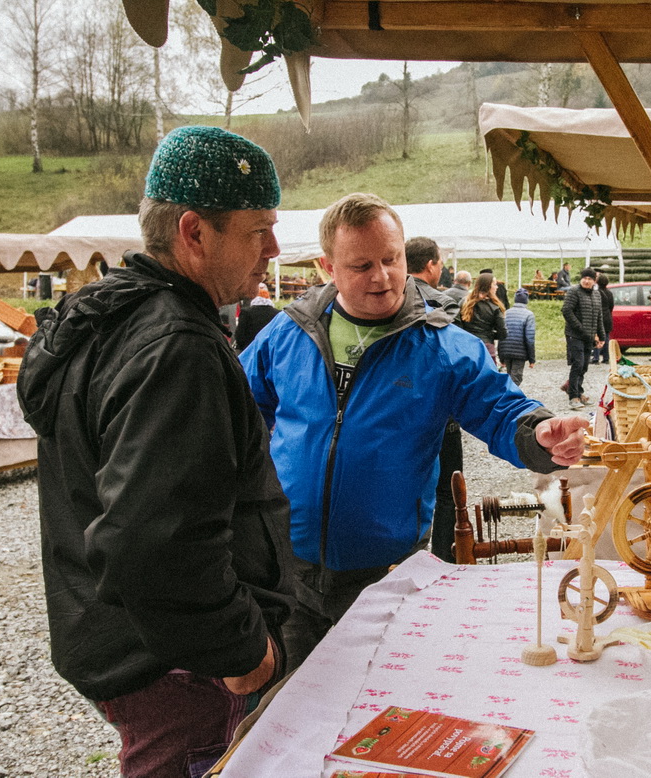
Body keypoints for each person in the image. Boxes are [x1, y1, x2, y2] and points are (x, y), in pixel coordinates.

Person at [17, 126, 296, 778]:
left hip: (126, 641)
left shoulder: (110, 314)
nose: (274, 250)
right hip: (177, 668)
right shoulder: (176, 345)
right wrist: (242, 651)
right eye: (259, 230)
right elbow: (151, 542)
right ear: (194, 232)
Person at [239, 192, 589, 668]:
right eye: (362, 265)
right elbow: (238, 410)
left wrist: (539, 430)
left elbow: (500, 409)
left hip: (384, 572)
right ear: (328, 267)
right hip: (286, 569)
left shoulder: (442, 345)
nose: (382, 277)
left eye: (391, 259)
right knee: (288, 697)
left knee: (382, 695)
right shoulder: (289, 332)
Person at [405, 236, 463, 565]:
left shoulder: (387, 298)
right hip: (440, 413)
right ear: (430, 265)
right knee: (448, 490)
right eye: (440, 262)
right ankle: (443, 557)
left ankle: (406, 557)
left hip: (400, 408)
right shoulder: (444, 304)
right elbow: (455, 360)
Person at [562, 267, 604, 410]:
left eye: (589, 279)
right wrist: (580, 328)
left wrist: (601, 336)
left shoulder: (597, 295)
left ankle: (578, 391)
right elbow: (566, 310)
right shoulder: (573, 291)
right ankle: (573, 396)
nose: (586, 281)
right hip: (575, 334)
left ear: (594, 281)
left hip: (588, 336)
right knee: (578, 364)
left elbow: (599, 316)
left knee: (584, 365)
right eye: (584, 278)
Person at [457, 273, 508, 363]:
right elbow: (503, 332)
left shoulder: (464, 302)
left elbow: (457, 324)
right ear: (488, 286)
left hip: (467, 345)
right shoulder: (495, 307)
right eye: (495, 284)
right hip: (486, 347)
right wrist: (490, 334)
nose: (497, 287)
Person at [499, 288, 537, 386]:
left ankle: (508, 394)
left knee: (509, 377)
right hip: (520, 351)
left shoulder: (506, 313)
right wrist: (532, 359)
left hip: (505, 350)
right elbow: (529, 338)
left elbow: (501, 334)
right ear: (526, 300)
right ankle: (511, 395)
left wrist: (501, 356)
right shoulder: (529, 315)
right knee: (516, 378)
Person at [234, 287, 281, 353]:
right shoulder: (278, 313)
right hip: (269, 350)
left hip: (249, 350)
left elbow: (240, 335)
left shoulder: (246, 312)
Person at [590, 272, 614, 364]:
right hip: (607, 316)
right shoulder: (609, 293)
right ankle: (606, 357)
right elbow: (611, 306)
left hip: (598, 316)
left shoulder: (596, 292)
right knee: (606, 337)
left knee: (597, 336)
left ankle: (596, 357)